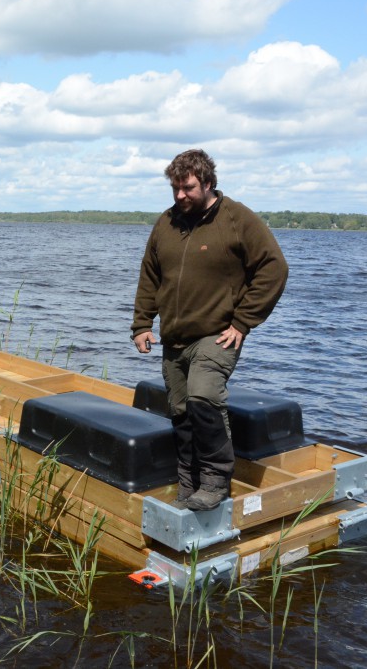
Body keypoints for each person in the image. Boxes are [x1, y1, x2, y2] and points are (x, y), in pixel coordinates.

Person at [131, 150, 288, 511]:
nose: (180, 195)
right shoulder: (166, 223)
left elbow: (274, 268)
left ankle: (216, 482)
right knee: (181, 410)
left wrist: (243, 321)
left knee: (204, 398)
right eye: (175, 188)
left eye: (187, 188)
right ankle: (189, 484)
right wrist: (142, 323)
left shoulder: (237, 218)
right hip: (174, 338)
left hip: (217, 335)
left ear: (208, 183)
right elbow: (150, 275)